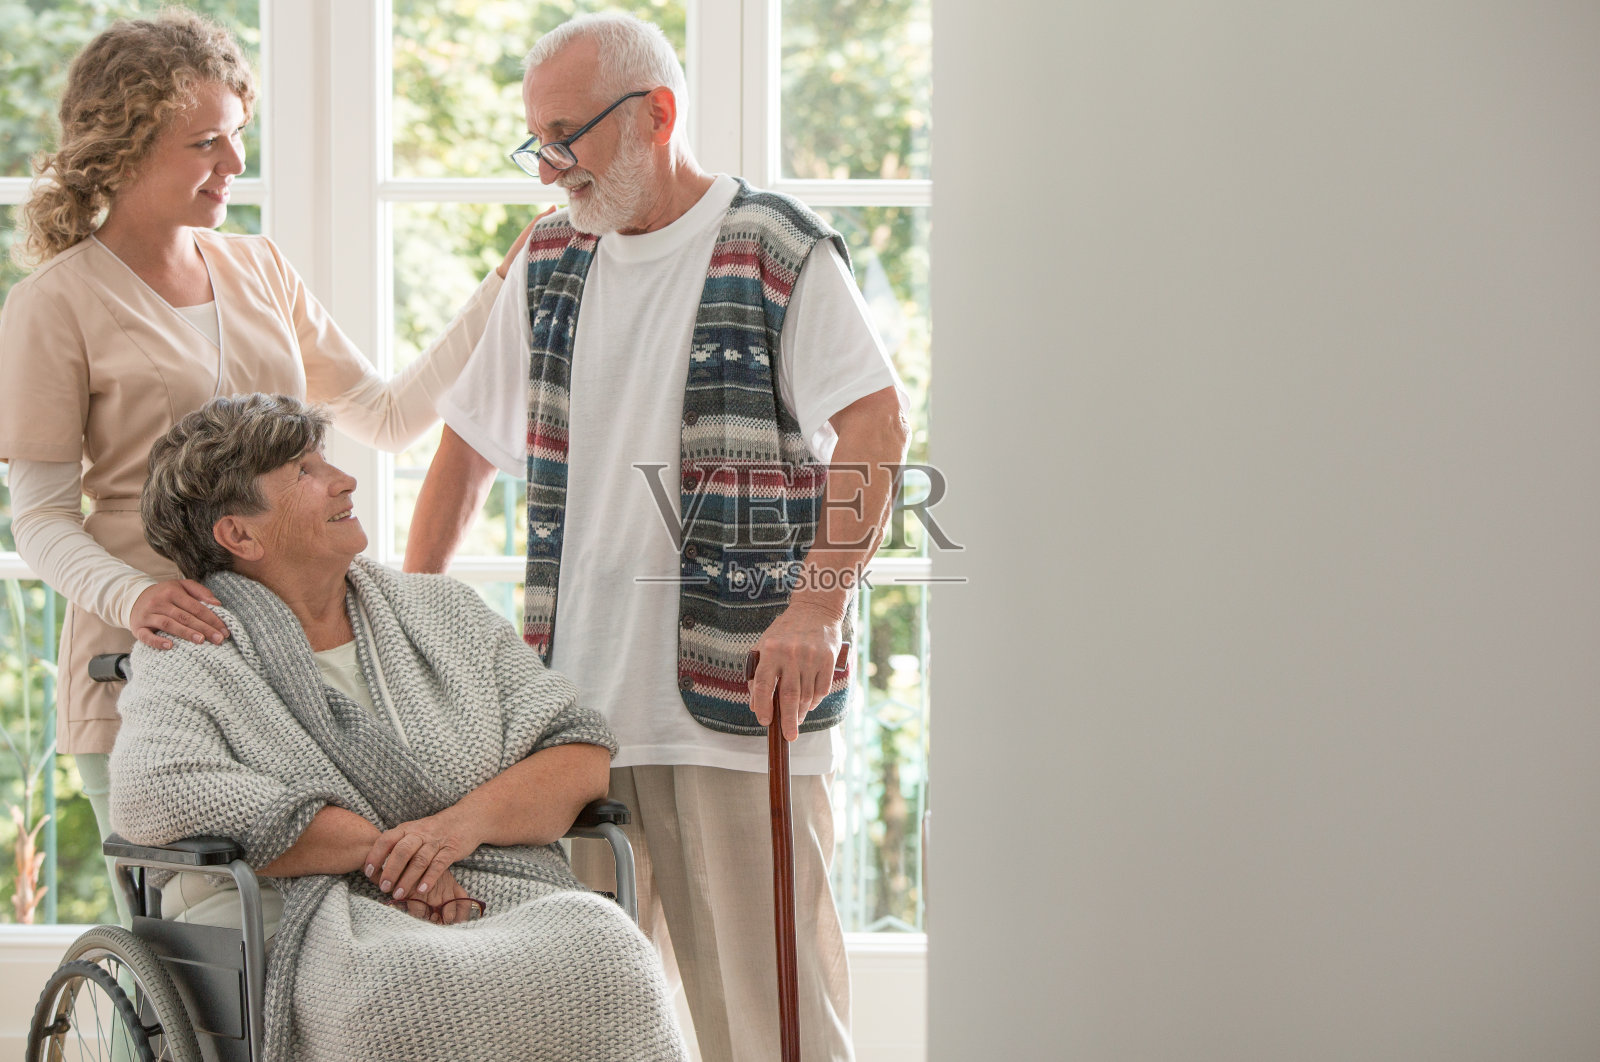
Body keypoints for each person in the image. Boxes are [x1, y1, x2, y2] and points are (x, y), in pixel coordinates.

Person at [403, 13, 910, 1061]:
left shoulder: (775, 247)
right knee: (576, 1027)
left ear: (656, 117)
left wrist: (816, 605)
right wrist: (415, 620)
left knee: (773, 1030)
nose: (549, 168)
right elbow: (465, 446)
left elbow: (875, 423)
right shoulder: (548, 259)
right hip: (568, 723)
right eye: (535, 140)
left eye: (566, 136)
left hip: (736, 707)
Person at [0, 9, 535, 920]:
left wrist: (503, 284)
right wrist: (136, 598)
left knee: (328, 935)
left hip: (295, 666)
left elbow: (388, 415)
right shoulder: (54, 305)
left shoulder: (260, 269)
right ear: (124, 148)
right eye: (205, 142)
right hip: (144, 661)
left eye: (238, 136)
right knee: (197, 956)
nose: (234, 165)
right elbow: (41, 516)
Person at [110, 393, 689, 1062]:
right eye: (304, 472)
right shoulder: (195, 649)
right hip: (313, 907)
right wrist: (390, 856)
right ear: (240, 535)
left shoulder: (439, 611)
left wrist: (451, 834)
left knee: (605, 951)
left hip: (485, 880)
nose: (343, 479)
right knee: (409, 992)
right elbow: (156, 790)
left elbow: (576, 746)